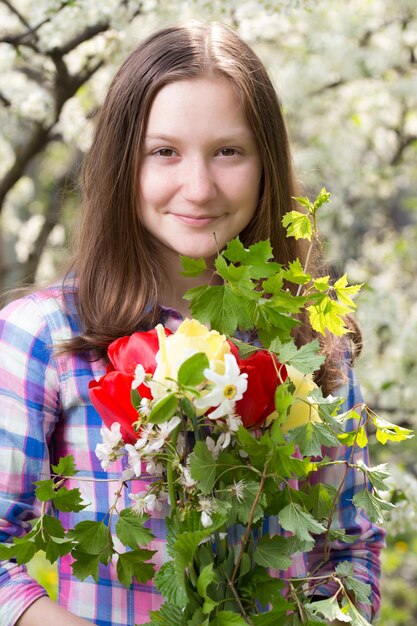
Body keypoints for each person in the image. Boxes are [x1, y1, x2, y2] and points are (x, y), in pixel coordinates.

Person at [0, 20, 384, 626]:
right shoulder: (42, 338)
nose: (199, 187)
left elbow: (349, 550)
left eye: (228, 151)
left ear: (266, 164)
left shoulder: (310, 340)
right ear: (123, 162)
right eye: (165, 152)